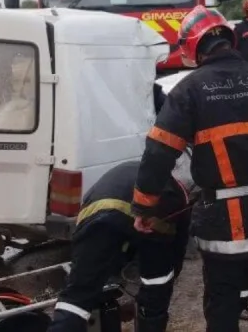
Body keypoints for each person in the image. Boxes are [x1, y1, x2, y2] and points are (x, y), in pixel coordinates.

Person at [131, 5, 248, 332]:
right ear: (229, 40)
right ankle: (238, 305)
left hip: (223, 223)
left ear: (192, 47)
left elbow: (158, 153)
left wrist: (145, 207)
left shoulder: (190, 89)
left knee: (220, 300)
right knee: (243, 274)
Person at [51, 87, 193, 332]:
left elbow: (92, 233)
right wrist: (164, 276)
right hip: (151, 220)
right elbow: (176, 249)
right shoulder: (176, 191)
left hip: (96, 216)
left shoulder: (126, 172)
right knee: (157, 285)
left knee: (76, 299)